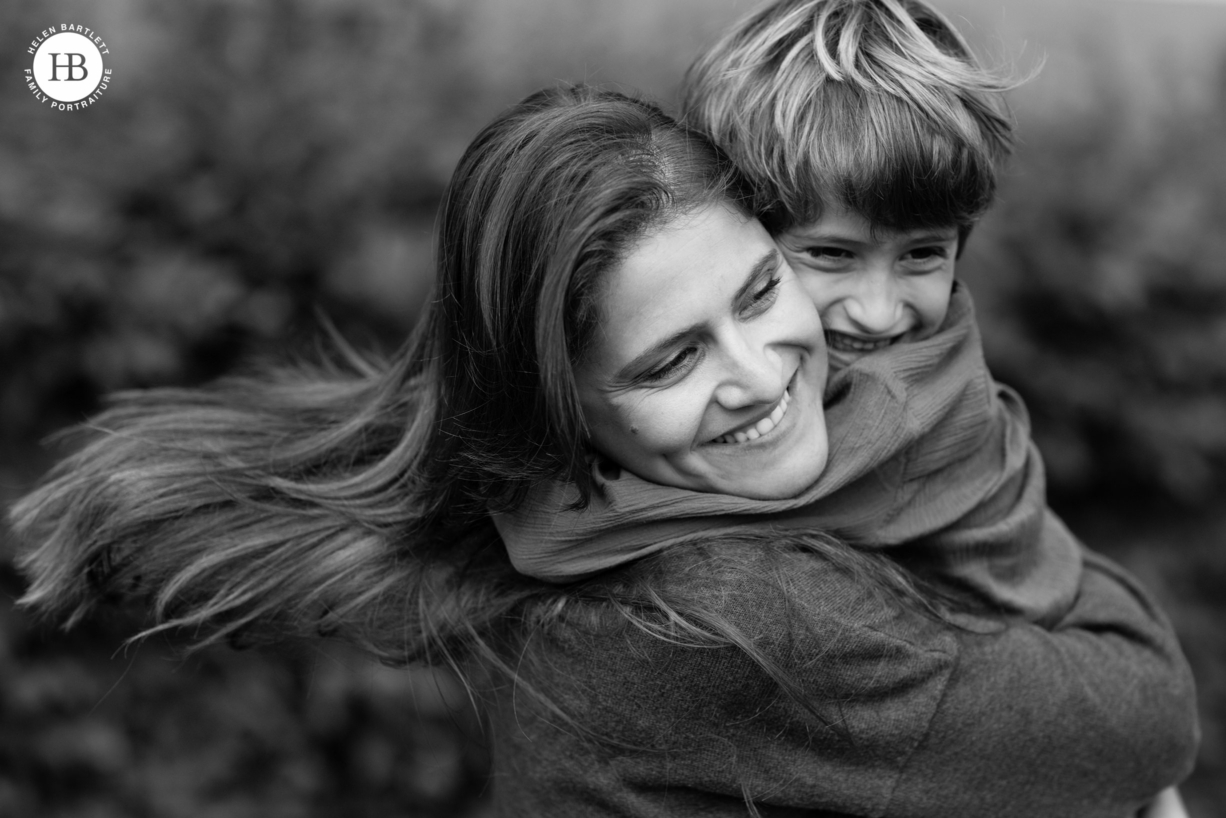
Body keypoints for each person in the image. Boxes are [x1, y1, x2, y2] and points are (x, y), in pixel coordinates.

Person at [12, 87, 1196, 816]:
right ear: (562, 409)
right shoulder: (733, 617)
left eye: (760, 286)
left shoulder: (572, 530)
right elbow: (1146, 710)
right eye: (670, 361)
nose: (765, 371)